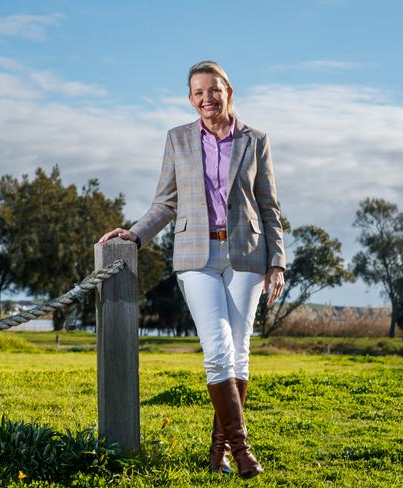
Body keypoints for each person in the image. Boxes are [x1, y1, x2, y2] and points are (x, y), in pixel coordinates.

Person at [98, 60, 285, 479]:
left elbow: (269, 207)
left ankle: (217, 451)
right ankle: (241, 451)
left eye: (214, 90)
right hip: (195, 257)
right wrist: (134, 235)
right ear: (190, 98)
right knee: (218, 349)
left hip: (248, 256)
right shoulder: (178, 139)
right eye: (198, 92)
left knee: (239, 352)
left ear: (228, 92)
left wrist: (277, 262)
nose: (206, 98)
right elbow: (166, 202)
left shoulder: (256, 140)